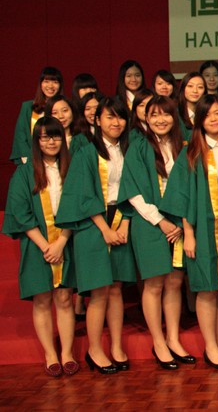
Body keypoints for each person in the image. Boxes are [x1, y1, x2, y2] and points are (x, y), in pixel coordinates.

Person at [56, 97, 137, 375]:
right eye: (109, 117)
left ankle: (115, 346)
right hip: (93, 224)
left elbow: (135, 187)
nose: (116, 123)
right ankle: (94, 349)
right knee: (99, 292)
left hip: (122, 216)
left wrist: (125, 223)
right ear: (97, 120)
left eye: (120, 117)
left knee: (116, 289)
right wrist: (105, 229)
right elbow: (84, 193)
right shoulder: (86, 151)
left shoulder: (130, 149)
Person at [160, 94, 218, 369]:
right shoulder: (191, 152)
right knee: (207, 287)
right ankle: (210, 346)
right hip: (203, 225)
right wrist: (188, 233)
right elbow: (181, 196)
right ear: (198, 121)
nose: (214, 119)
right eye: (207, 115)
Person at [118, 95, 192, 370]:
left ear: (174, 117)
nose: (161, 120)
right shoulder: (138, 146)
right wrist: (160, 221)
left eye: (166, 114)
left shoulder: (182, 147)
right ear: (145, 119)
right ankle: (158, 342)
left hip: (178, 222)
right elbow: (133, 192)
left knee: (174, 282)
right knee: (154, 284)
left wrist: (182, 222)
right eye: (154, 115)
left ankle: (173, 339)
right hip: (149, 223)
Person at [2, 117, 78, 377]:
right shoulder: (24, 173)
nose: (51, 141)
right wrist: (47, 246)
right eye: (45, 137)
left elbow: (79, 206)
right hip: (37, 244)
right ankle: (50, 354)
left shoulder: (71, 168)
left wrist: (62, 241)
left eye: (55, 136)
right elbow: (20, 213)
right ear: (36, 141)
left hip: (66, 240)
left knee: (65, 297)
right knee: (43, 299)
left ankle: (67, 352)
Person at [11, 66, 64, 165]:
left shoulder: (64, 108)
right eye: (46, 81)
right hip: (32, 160)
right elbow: (20, 135)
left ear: (60, 85)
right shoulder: (28, 107)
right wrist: (28, 160)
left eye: (55, 82)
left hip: (59, 159)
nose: (50, 86)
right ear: (40, 84)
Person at [177, 71, 206, 139]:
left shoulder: (207, 113)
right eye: (190, 86)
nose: (195, 91)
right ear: (183, 88)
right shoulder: (175, 114)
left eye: (200, 87)